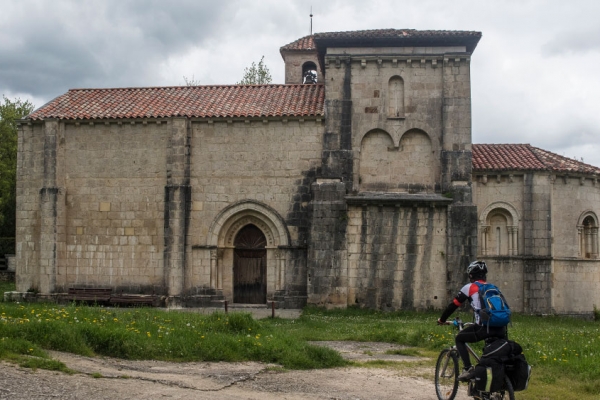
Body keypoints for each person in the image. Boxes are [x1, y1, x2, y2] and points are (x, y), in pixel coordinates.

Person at [437, 260, 507, 381]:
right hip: (501, 328)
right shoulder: (494, 288)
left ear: (470, 275)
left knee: (459, 338)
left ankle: (468, 368)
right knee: (490, 356)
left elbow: (453, 305)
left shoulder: (469, 287)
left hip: (484, 328)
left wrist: (442, 320)